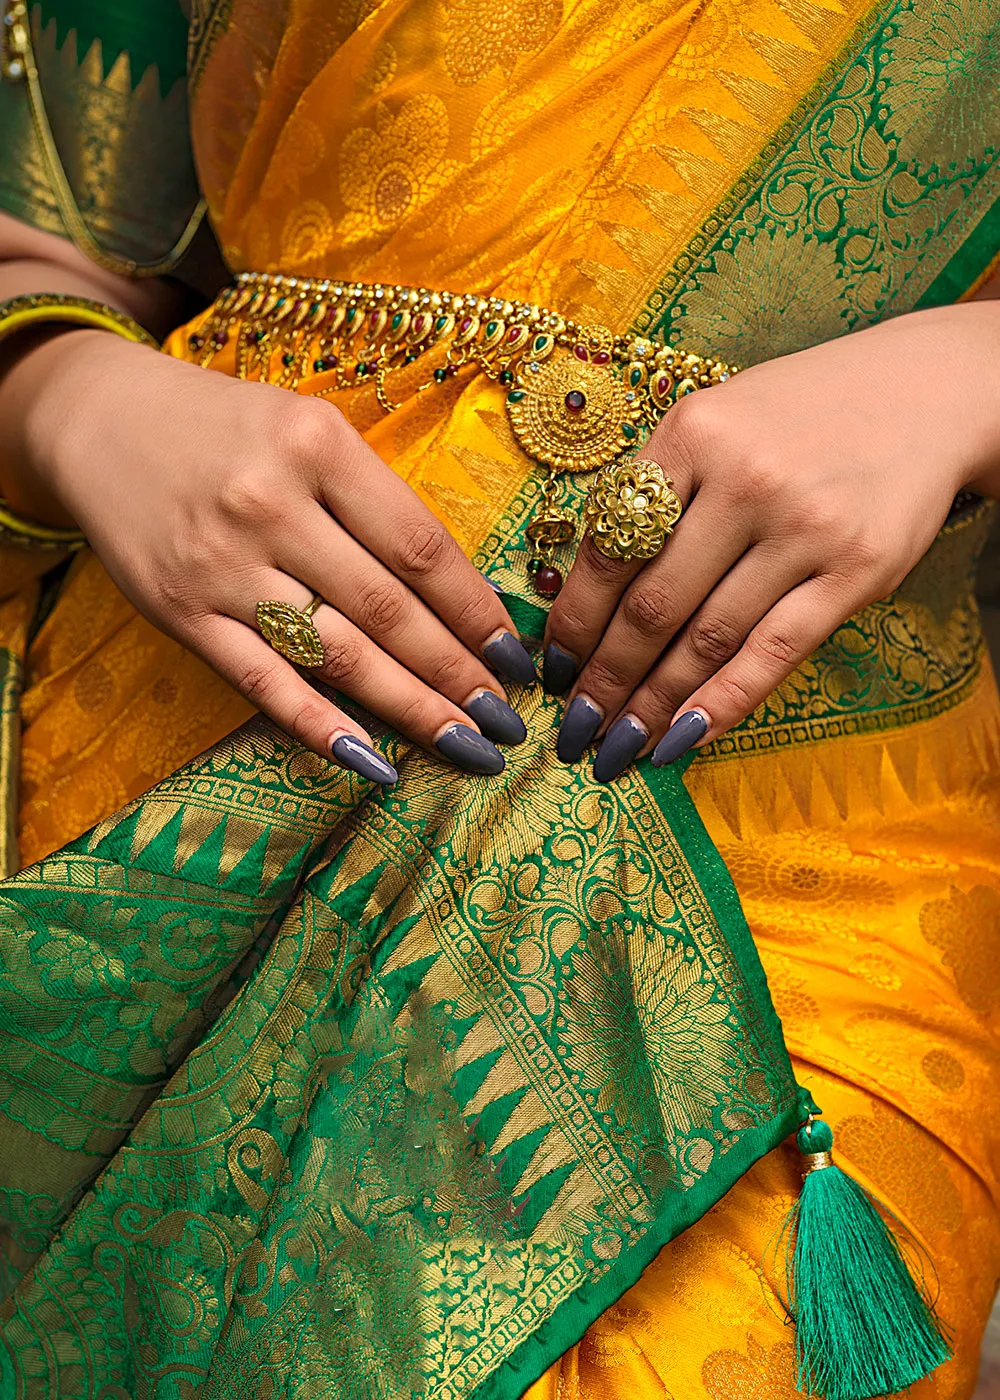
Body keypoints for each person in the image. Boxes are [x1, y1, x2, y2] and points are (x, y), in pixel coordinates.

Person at [0, 0, 998, 1397]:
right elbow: (66, 183)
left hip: (785, 813)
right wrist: (60, 391)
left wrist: (974, 373)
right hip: (168, 719)